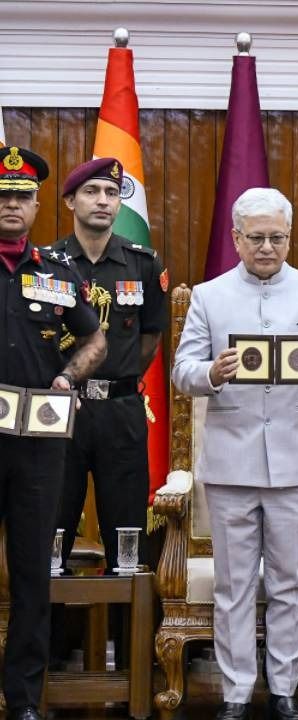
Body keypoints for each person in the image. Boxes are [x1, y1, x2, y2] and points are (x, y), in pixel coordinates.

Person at [171, 187, 298, 720]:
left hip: (296, 462)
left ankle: (283, 689)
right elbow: (182, 372)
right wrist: (211, 373)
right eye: (256, 238)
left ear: (289, 238)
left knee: (289, 581)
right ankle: (234, 693)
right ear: (236, 238)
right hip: (231, 462)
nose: (268, 248)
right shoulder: (209, 297)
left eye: (277, 237)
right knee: (233, 586)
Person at [0, 145, 106, 720]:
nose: (11, 205)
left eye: (21, 196)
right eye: (2, 195)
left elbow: (95, 340)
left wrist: (68, 376)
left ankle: (23, 699)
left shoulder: (57, 273)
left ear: (38, 205)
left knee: (32, 574)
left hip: (39, 445)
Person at [51, 157, 169, 573]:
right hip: (63, 411)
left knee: (127, 534)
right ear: (69, 201)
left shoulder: (144, 264)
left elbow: (151, 339)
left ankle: (127, 638)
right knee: (54, 526)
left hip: (121, 411)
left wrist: (117, 377)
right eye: (91, 192)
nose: (103, 201)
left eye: (112, 193)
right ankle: (55, 640)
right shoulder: (49, 265)